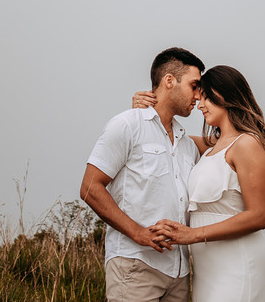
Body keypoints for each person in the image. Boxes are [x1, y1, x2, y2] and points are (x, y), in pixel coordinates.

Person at [132, 65, 265, 302]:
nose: (200, 105)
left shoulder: (247, 144)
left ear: (227, 95)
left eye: (207, 98)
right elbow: (166, 135)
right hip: (208, 270)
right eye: (200, 98)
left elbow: (260, 216)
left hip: (237, 265)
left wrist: (192, 235)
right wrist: (149, 106)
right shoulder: (214, 145)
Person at [82, 47, 206, 302]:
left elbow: (226, 140)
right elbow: (90, 188)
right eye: (194, 86)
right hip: (135, 267)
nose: (198, 96)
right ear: (169, 81)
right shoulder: (127, 125)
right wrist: (139, 233)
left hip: (180, 274)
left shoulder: (186, 143)